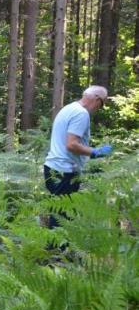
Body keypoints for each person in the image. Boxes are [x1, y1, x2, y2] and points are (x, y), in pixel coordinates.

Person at [43, 85, 112, 229]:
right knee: (62, 215)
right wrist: (95, 152)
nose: (99, 108)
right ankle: (56, 250)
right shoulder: (81, 114)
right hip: (65, 171)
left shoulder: (69, 108)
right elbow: (71, 145)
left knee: (60, 211)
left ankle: (55, 248)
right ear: (96, 99)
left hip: (52, 168)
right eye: (102, 104)